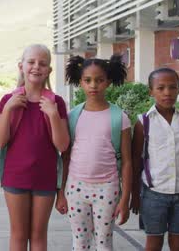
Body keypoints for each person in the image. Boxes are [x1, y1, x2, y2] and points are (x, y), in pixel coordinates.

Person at [0, 44, 70, 251]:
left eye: (42, 63)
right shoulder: (9, 100)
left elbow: (62, 145)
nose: (37, 67)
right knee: (18, 235)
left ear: (49, 70)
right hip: (15, 176)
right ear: (21, 66)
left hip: (45, 177)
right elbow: (0, 141)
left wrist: (53, 115)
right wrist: (8, 109)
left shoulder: (56, 103)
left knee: (38, 235)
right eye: (31, 62)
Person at [56, 55, 132, 251]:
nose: (93, 85)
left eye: (99, 80)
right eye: (87, 80)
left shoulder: (119, 117)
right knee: (80, 243)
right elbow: (65, 156)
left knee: (104, 243)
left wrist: (125, 199)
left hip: (107, 188)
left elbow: (127, 162)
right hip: (75, 188)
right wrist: (61, 192)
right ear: (79, 82)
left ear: (108, 81)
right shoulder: (73, 115)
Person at [130, 67, 179, 251]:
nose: (167, 92)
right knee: (154, 242)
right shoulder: (143, 122)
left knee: (178, 242)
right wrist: (135, 195)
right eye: (160, 88)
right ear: (151, 91)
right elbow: (136, 160)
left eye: (172, 87)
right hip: (154, 194)